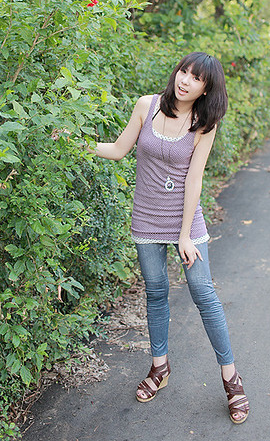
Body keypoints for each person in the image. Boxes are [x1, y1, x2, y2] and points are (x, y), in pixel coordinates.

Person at [88, 51, 249, 424]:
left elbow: (194, 180)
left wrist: (184, 235)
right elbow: (118, 150)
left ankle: (231, 378)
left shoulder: (203, 125)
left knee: (203, 292)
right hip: (146, 217)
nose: (185, 80)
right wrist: (76, 144)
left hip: (185, 219)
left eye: (196, 78)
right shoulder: (147, 106)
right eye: (184, 71)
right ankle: (159, 367)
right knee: (156, 291)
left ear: (206, 89)